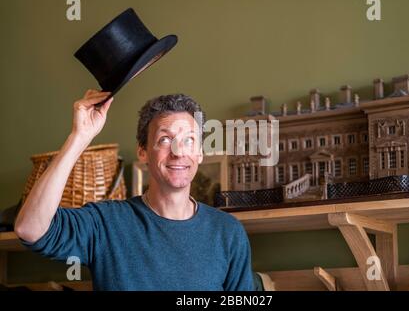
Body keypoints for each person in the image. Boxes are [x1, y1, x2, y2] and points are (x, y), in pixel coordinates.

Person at [14, 90, 255, 291]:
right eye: (164, 140)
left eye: (190, 140)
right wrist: (79, 136)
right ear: (142, 152)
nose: (179, 151)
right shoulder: (106, 223)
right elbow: (29, 228)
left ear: (200, 153)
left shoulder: (228, 232)